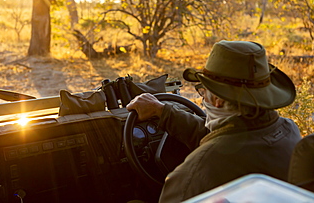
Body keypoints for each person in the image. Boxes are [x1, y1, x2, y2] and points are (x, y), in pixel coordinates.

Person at [126, 40, 302, 203]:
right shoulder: (289, 130)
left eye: (203, 92)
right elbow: (225, 138)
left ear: (217, 99)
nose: (202, 98)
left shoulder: (194, 173)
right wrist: (163, 112)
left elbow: (219, 149)